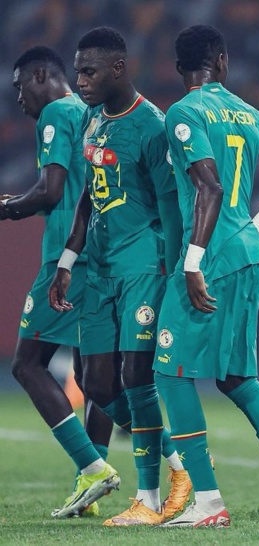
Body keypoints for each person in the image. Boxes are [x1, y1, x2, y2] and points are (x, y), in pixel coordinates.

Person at [153, 24, 259, 528]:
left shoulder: (184, 112)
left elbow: (207, 188)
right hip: (248, 253)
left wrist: (192, 261)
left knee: (170, 373)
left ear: (179, 68)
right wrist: (258, 225)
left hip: (208, 256)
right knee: (236, 377)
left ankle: (208, 503)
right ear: (223, 63)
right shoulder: (249, 113)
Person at [49, 27, 190, 525]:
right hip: (99, 267)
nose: (80, 81)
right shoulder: (92, 120)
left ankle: (151, 497)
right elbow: (90, 195)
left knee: (135, 378)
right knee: (94, 381)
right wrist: (67, 260)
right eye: (77, 72)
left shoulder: (153, 126)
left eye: (88, 72)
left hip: (142, 267)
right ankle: (179, 463)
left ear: (118, 68)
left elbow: (172, 207)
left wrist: (177, 271)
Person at [0, 45, 115, 519]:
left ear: (40, 76)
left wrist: (8, 208)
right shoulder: (92, 113)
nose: (18, 99)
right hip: (104, 254)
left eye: (19, 87)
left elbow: (50, 191)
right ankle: (95, 482)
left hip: (67, 258)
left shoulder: (54, 114)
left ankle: (93, 467)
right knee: (94, 379)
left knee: (27, 364)